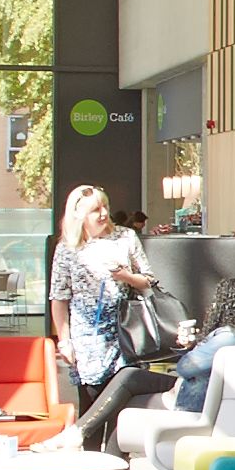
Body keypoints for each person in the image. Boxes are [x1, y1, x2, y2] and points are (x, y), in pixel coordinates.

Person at [48, 185, 160, 452]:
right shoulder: (67, 248)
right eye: (95, 210)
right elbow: (59, 298)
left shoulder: (125, 237)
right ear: (79, 216)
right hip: (87, 337)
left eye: (104, 207)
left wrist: (125, 277)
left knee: (122, 405)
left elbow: (149, 281)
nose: (103, 214)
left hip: (126, 333)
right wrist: (64, 341)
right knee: (92, 401)